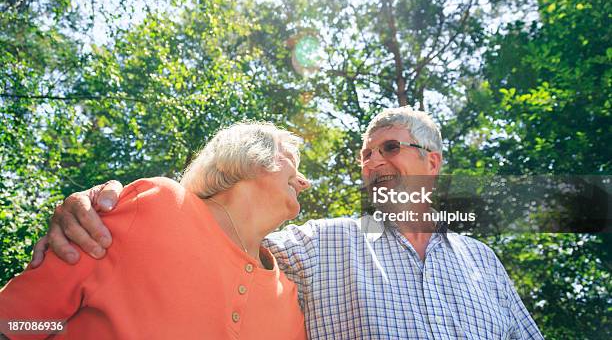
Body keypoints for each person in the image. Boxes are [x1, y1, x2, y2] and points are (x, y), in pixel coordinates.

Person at [27, 107, 543, 339]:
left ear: (432, 164)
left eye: (389, 148)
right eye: (365, 154)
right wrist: (100, 203)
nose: (371, 163)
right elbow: (218, 232)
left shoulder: (483, 262)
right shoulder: (325, 244)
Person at [0, 122, 309, 340]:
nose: (304, 182)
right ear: (251, 155)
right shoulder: (158, 203)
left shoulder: (290, 304)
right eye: (292, 164)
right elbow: (17, 321)